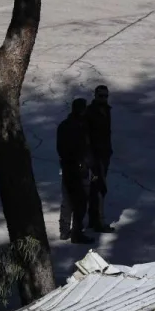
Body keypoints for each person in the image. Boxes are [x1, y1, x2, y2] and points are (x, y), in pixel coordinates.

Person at [56, 98, 91, 244]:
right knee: (80, 202)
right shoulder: (81, 127)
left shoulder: (64, 126)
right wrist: (84, 163)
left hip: (67, 167)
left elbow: (60, 148)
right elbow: (84, 148)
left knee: (67, 201)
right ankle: (77, 233)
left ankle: (64, 231)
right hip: (78, 169)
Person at [85, 84, 114, 233]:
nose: (103, 99)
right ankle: (99, 222)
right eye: (101, 96)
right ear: (95, 96)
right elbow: (87, 135)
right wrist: (90, 155)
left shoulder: (107, 110)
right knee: (99, 187)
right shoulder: (90, 112)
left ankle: (93, 220)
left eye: (105, 96)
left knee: (96, 186)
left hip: (104, 154)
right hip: (95, 156)